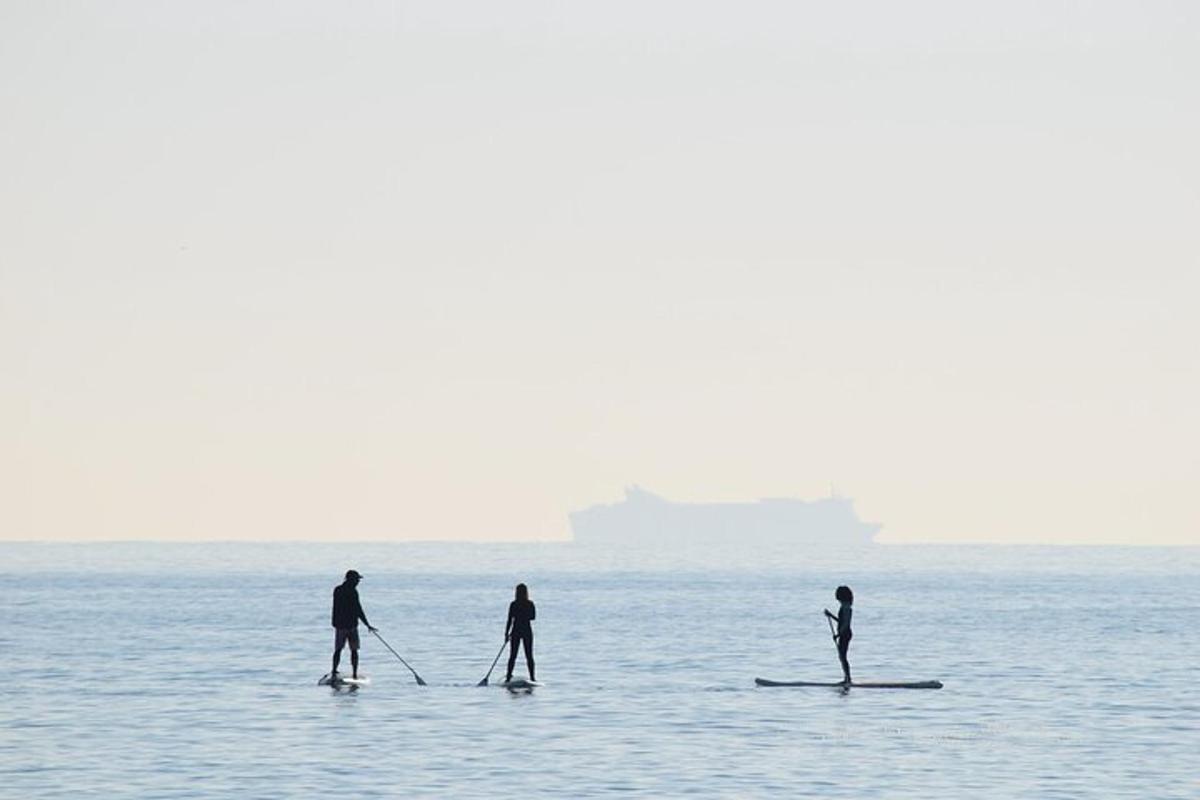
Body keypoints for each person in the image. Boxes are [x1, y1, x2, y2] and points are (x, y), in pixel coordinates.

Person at [331, 569, 377, 680]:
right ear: (350, 579)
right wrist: (367, 624)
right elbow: (358, 609)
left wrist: (367, 625)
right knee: (350, 650)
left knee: (345, 650)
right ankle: (351, 673)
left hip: (346, 625)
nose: (358, 582)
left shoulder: (339, 590)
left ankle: (338, 671)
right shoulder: (349, 591)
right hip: (346, 626)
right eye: (356, 579)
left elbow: (355, 609)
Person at [504, 582, 536, 683]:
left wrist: (506, 633)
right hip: (525, 630)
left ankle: (508, 677)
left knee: (513, 655)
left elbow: (510, 620)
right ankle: (532, 677)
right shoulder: (529, 604)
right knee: (529, 655)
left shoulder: (514, 604)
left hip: (516, 631)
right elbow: (533, 617)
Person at [824, 585, 854, 685]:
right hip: (843, 633)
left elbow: (846, 623)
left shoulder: (847, 607)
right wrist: (830, 615)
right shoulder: (844, 606)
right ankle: (846, 677)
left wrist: (838, 634)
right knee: (841, 656)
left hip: (845, 634)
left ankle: (848, 679)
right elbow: (840, 621)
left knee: (843, 656)